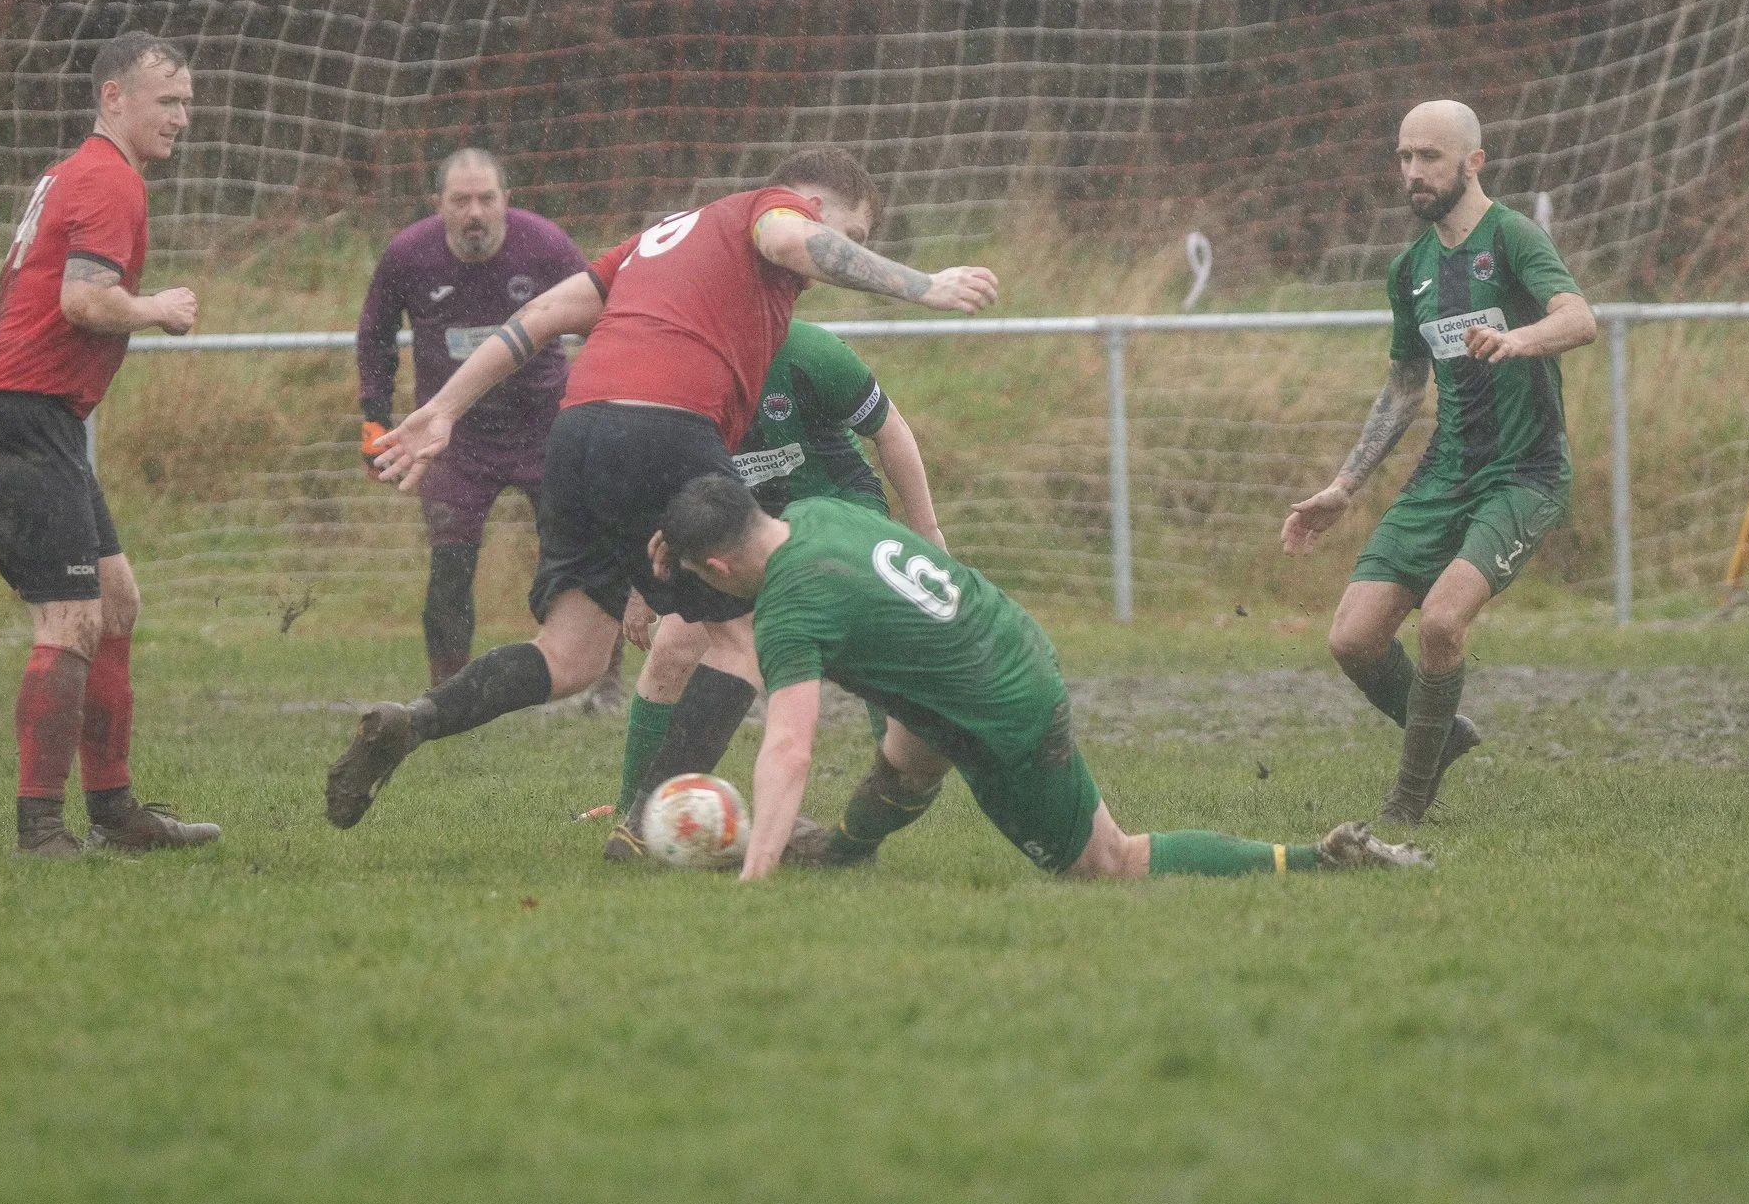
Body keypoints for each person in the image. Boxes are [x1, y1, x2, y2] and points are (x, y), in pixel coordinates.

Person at [323, 144, 999, 831]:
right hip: (667, 426)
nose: (838, 253)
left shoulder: (656, 242)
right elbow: (793, 238)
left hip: (578, 433)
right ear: (817, 206)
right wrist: (923, 285)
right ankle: (650, 825)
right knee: (743, 642)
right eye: (850, 236)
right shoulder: (768, 214)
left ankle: (415, 720)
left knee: (573, 654)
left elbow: (544, 316)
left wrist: (445, 408)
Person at [653, 475, 1426, 880]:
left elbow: (788, 748)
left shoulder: (789, 606)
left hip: (1004, 710)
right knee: (912, 749)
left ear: (718, 568)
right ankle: (842, 857)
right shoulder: (818, 513)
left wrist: (753, 877)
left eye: (704, 579)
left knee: (1108, 865)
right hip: (1003, 641)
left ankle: (1315, 859)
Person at [1280, 100, 1596, 823]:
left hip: (1524, 473)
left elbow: (1581, 318)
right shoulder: (1409, 270)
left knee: (1442, 624)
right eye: (1404, 158)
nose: (1413, 173)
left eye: (1430, 157)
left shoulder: (1512, 237)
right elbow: (1403, 386)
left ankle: (1406, 807)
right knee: (1352, 638)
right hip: (1446, 471)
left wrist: (1520, 340)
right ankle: (1442, 735)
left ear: (1473, 162)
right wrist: (1342, 488)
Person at [0, 30, 222, 858]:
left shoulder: (80, 171)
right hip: (18, 418)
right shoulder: (109, 179)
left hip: (37, 418)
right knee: (70, 618)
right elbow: (83, 302)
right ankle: (41, 831)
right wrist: (158, 307)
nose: (183, 117)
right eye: (167, 101)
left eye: (187, 102)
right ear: (114, 98)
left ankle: (116, 812)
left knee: (117, 602)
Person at [604, 320, 944, 858]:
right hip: (739, 524)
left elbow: (891, 430)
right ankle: (636, 818)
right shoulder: (677, 362)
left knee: (865, 643)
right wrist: (645, 584)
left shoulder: (811, 352)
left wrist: (927, 533)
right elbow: (658, 475)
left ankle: (895, 793)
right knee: (674, 648)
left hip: (836, 512)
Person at [355, 148, 592, 688]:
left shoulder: (547, 245)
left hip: (545, 427)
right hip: (454, 437)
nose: (475, 213)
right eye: (461, 200)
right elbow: (375, 335)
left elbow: (605, 319)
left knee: (577, 550)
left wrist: (605, 409)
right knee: (450, 566)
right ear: (437, 205)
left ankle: (595, 680)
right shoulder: (408, 255)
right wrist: (374, 416)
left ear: (508, 201)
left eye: (487, 198)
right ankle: (448, 692)